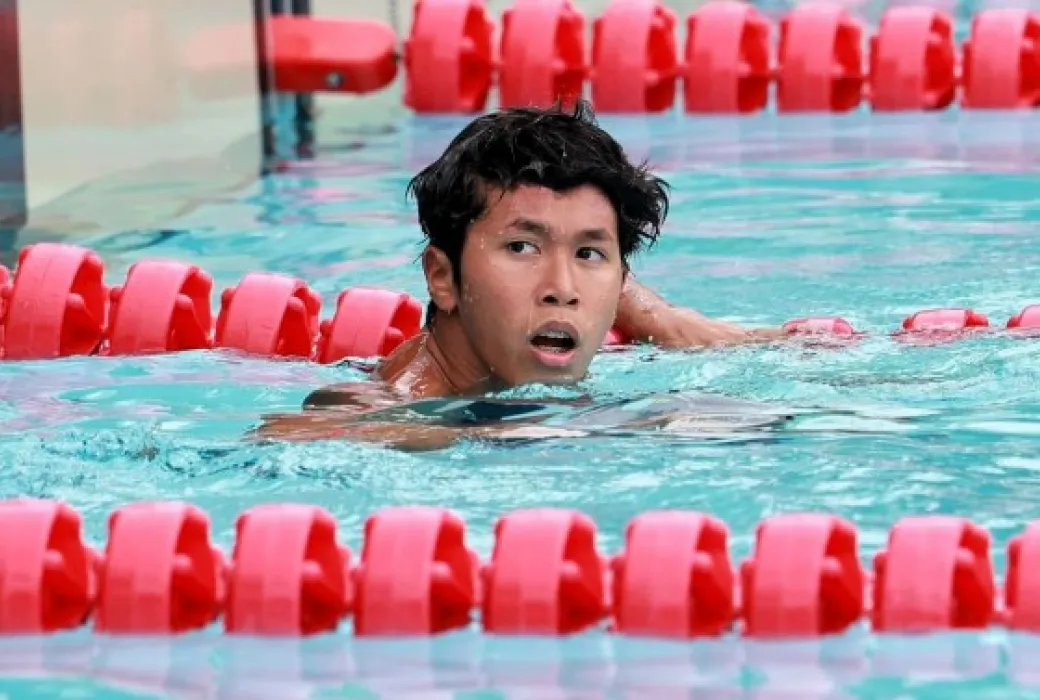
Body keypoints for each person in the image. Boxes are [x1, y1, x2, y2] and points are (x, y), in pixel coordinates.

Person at [253, 100, 788, 450]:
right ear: (442, 277)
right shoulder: (405, 412)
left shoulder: (552, 315)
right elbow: (287, 434)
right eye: (521, 246)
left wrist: (665, 320)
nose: (562, 289)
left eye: (589, 254)